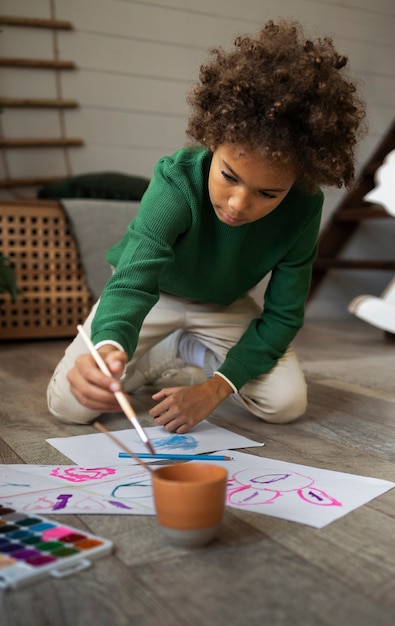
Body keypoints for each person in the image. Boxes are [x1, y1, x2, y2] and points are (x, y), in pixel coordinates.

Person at [47, 18, 366, 433]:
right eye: (229, 176)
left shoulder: (305, 207)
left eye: (268, 194)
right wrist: (107, 348)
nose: (238, 204)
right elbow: (132, 282)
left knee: (285, 403)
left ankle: (180, 351)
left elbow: (284, 316)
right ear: (213, 138)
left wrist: (214, 390)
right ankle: (164, 353)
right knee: (71, 407)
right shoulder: (176, 181)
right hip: (153, 292)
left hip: (223, 304)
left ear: (299, 180)